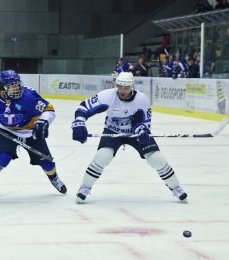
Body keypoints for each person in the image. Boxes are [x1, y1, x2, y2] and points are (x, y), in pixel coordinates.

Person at [71, 72, 187, 204]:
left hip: (134, 133)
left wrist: (142, 131)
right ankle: (85, 187)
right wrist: (79, 122)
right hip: (112, 130)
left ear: (132, 86)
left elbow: (144, 122)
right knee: (102, 156)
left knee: (156, 158)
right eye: (120, 87)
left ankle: (176, 187)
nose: (122, 91)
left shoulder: (141, 99)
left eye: (126, 88)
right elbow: (84, 107)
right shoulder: (108, 96)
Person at [0, 69, 66, 204]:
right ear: (3, 87)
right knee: (2, 159)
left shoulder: (29, 97)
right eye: (12, 86)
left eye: (18, 84)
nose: (17, 88)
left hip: (30, 131)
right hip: (6, 130)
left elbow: (49, 109)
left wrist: (43, 121)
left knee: (47, 163)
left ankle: (54, 177)